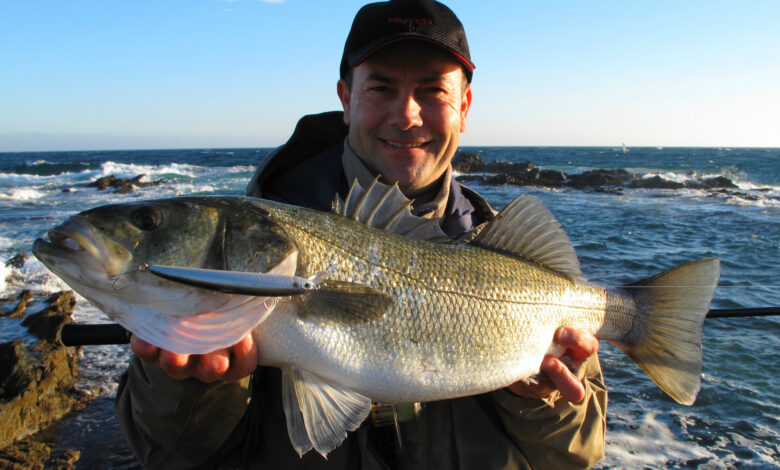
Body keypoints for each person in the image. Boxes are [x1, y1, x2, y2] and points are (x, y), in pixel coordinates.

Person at [115, 1, 607, 468]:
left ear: (464, 105)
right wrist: (192, 386)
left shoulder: (514, 262)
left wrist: (542, 400)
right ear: (346, 98)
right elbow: (168, 456)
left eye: (434, 90)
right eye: (381, 89)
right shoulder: (255, 238)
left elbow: (576, 457)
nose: (407, 115)